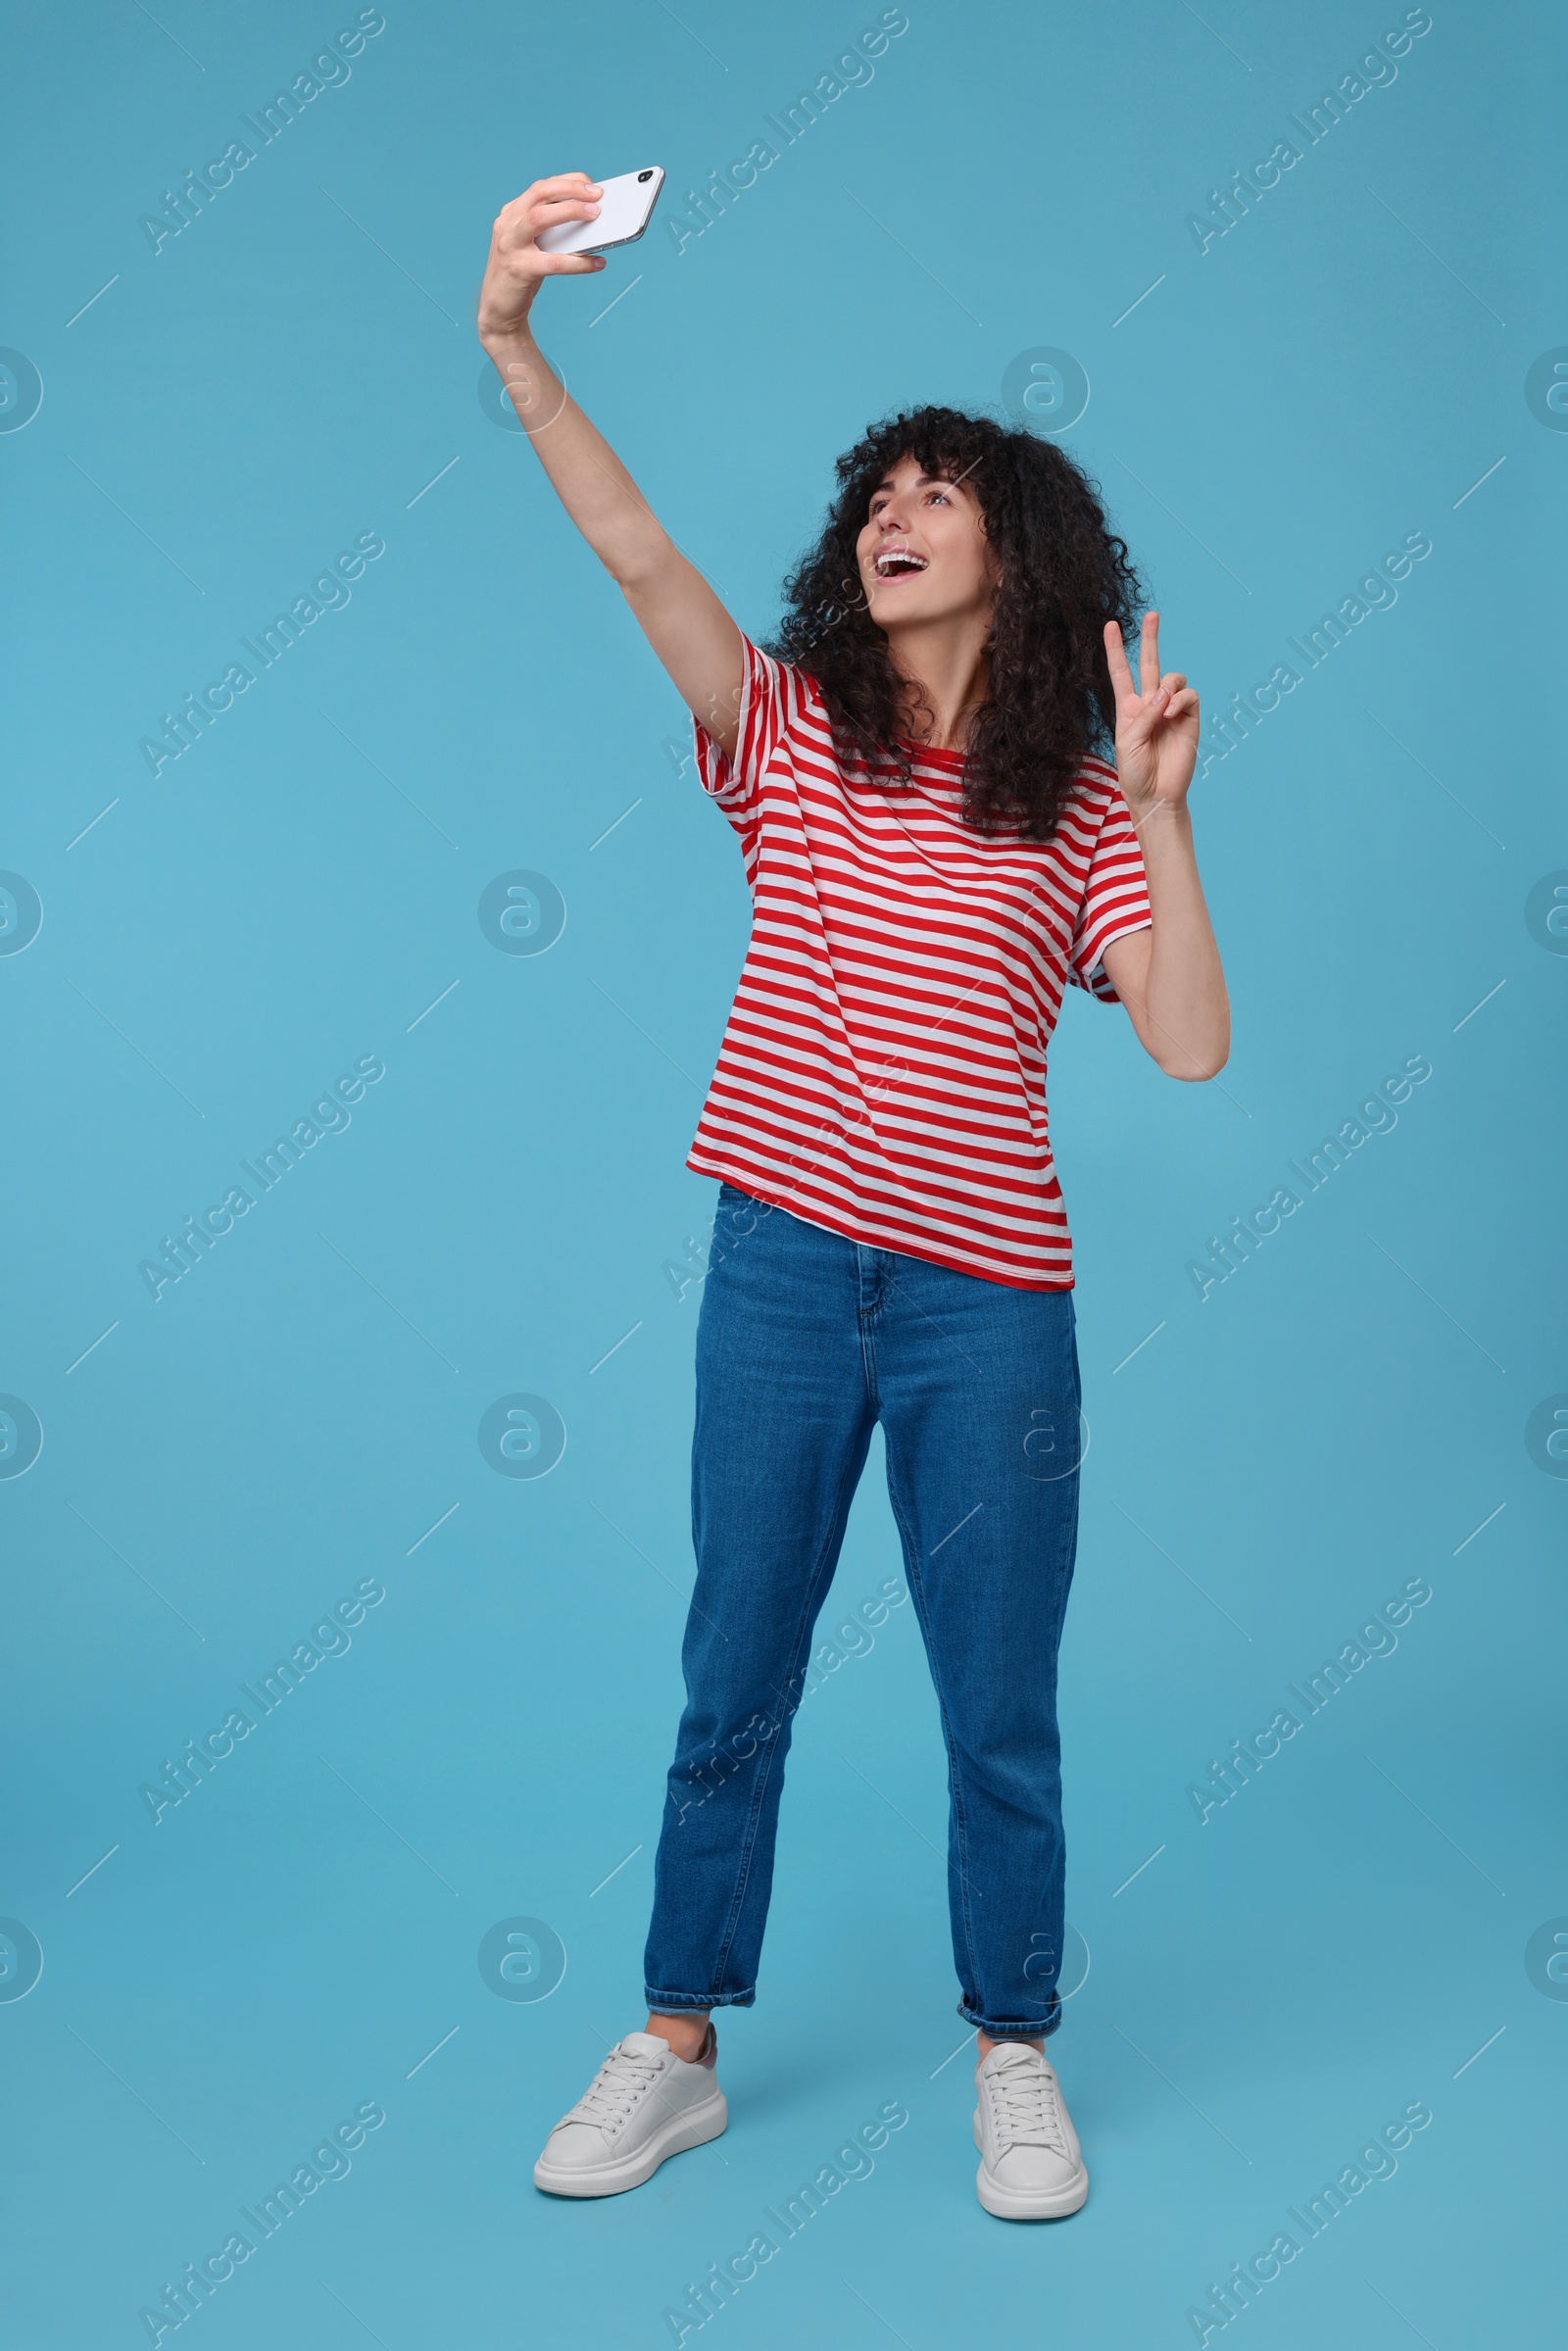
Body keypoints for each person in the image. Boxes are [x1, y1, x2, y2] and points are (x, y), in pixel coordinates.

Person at [477, 172, 1229, 2222]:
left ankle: (1010, 2050)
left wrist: (1161, 816)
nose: (887, 513)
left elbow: (1181, 1042)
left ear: (1015, 550)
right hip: (784, 1271)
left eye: (933, 493)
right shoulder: (783, 735)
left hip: (993, 1301)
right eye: (871, 494)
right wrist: (515, 343)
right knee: (738, 1661)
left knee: (998, 1693)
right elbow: (633, 553)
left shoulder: (1075, 807)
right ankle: (674, 2041)